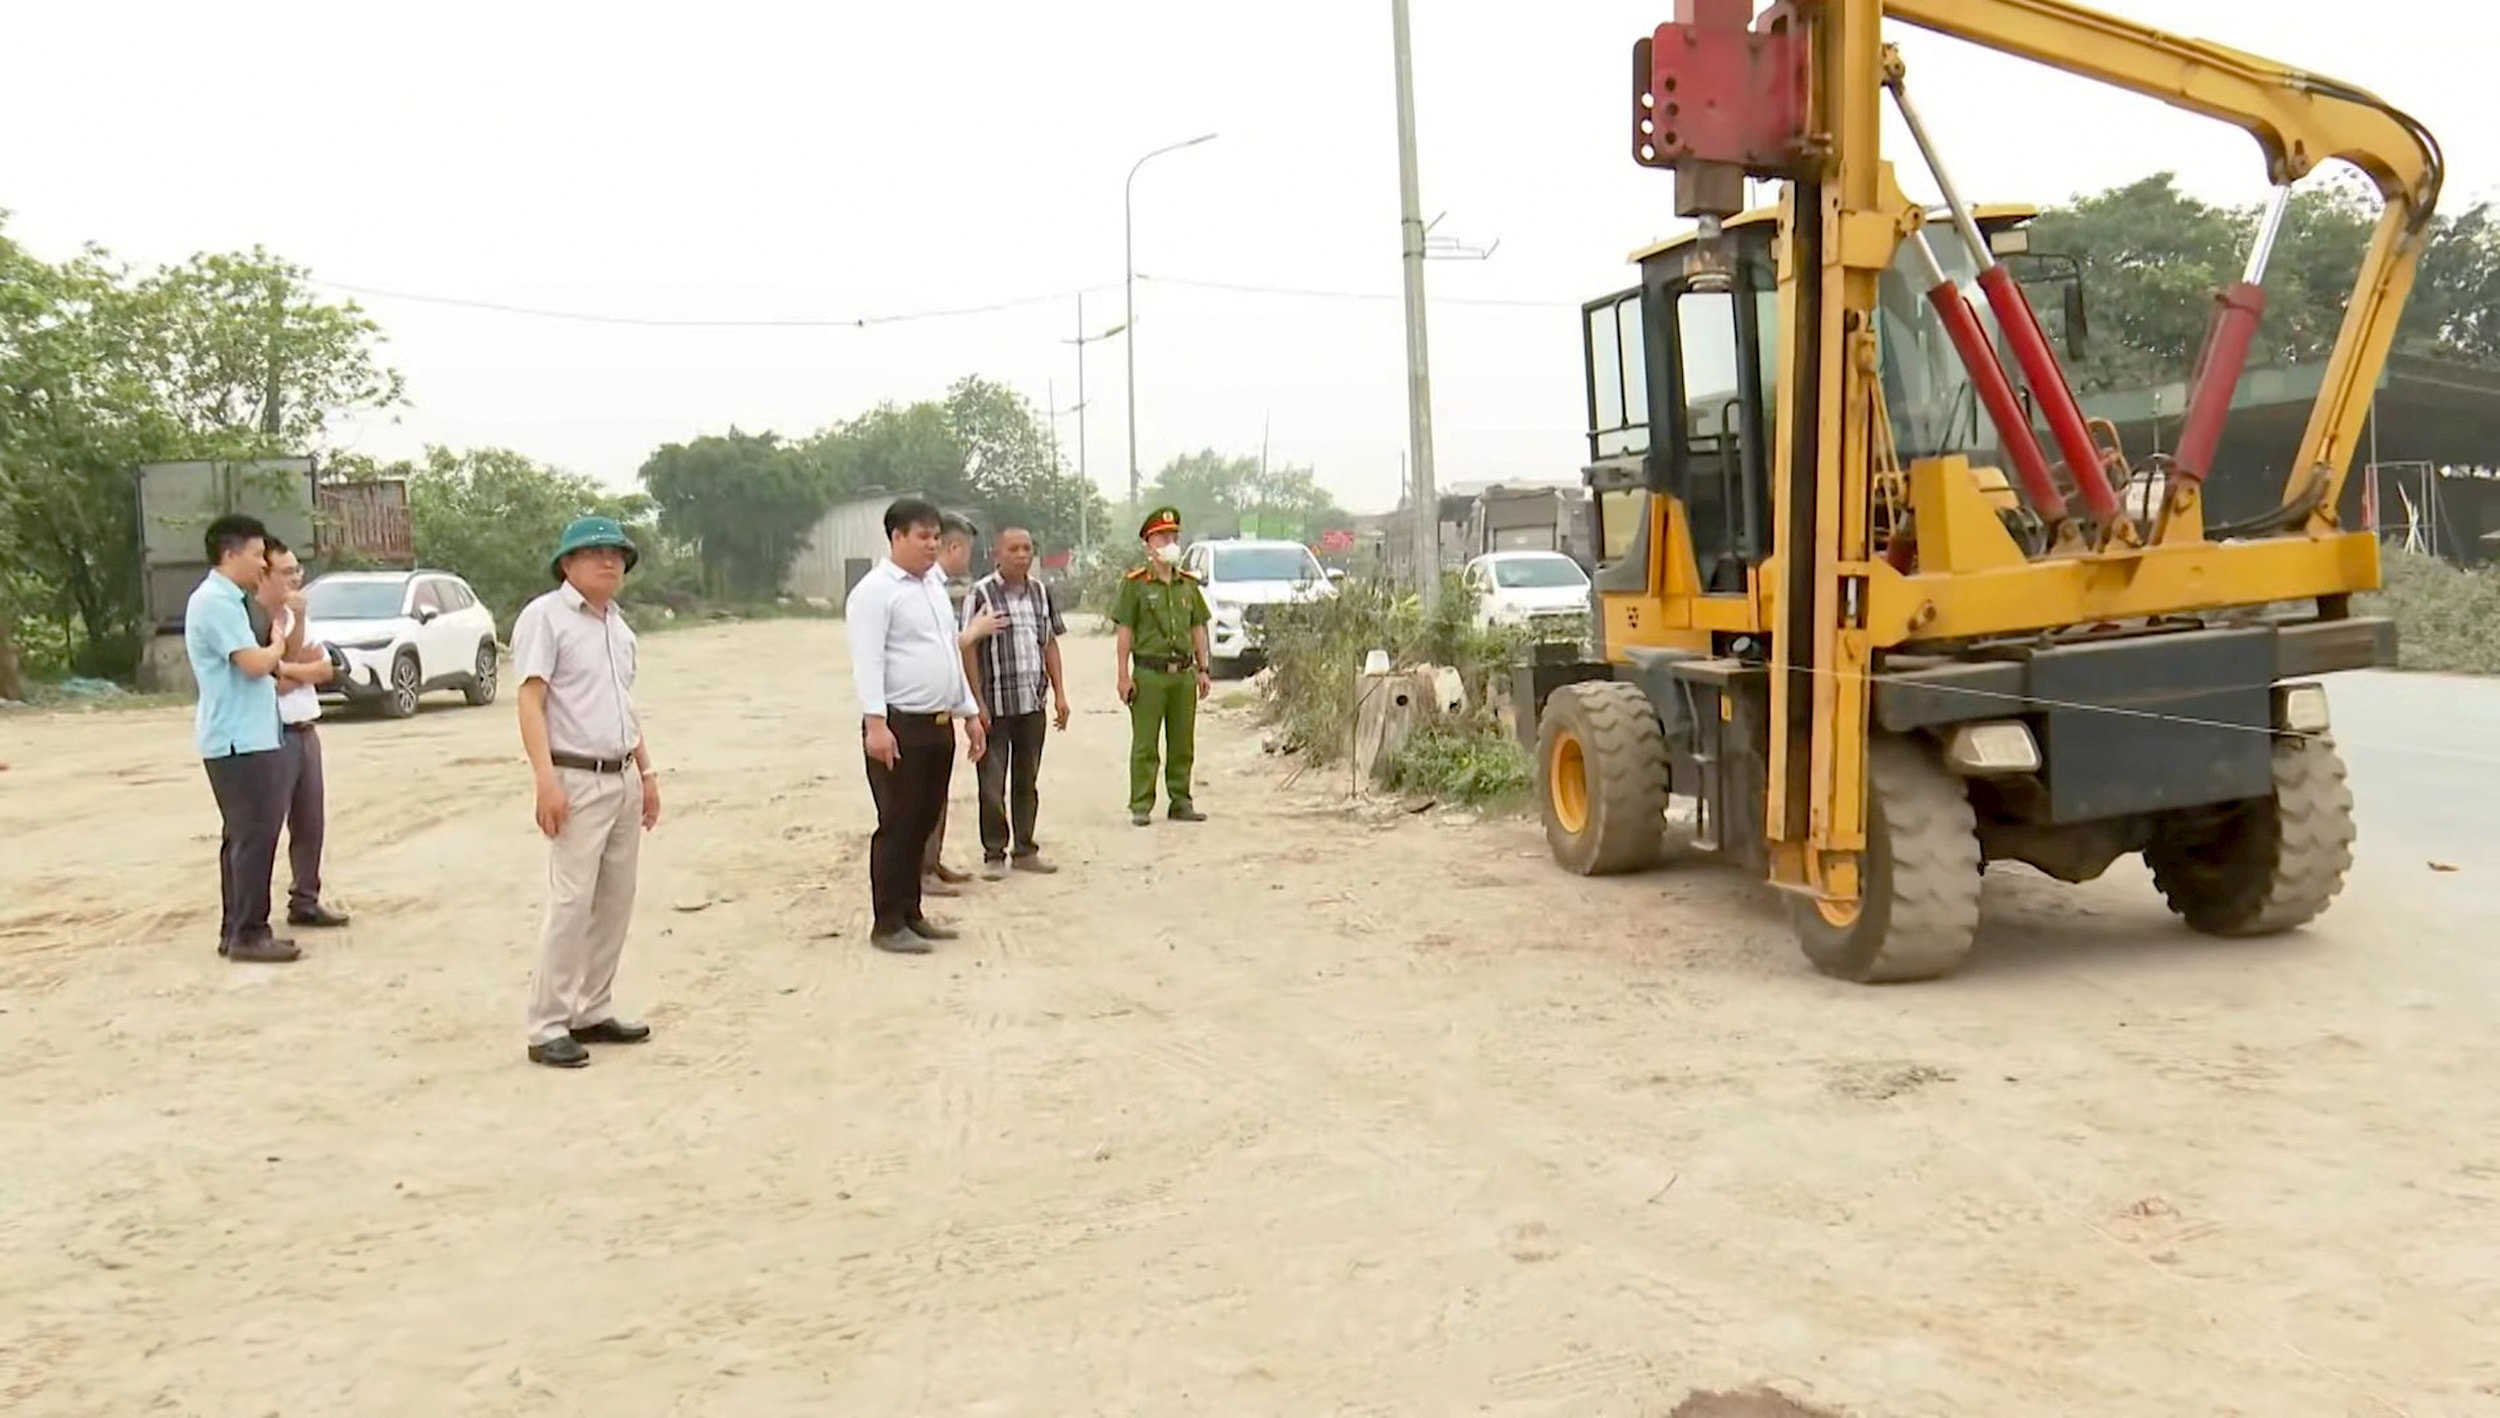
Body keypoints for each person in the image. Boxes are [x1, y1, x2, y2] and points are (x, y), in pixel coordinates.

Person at [511, 516, 663, 1069]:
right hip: (575, 776)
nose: (608, 561)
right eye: (595, 552)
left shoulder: (618, 628)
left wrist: (646, 774)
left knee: (615, 900)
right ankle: (547, 1023)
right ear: (567, 563)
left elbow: (624, 706)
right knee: (572, 903)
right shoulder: (546, 618)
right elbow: (531, 701)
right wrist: (545, 779)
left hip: (621, 776)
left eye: (617, 554)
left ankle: (592, 1007)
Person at [849, 496, 988, 955]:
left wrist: (969, 713)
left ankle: (912, 913)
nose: (932, 545)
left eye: (936, 537)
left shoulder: (932, 586)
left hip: (938, 723)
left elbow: (948, 651)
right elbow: (868, 661)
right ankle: (888, 923)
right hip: (899, 726)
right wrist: (876, 723)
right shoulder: (874, 592)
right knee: (898, 824)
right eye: (924, 536)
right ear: (897, 537)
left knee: (925, 820)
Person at [186, 514, 299, 963]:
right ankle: (250, 933)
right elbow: (253, 664)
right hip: (240, 740)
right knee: (255, 837)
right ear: (230, 553)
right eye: (256, 555)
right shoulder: (215, 601)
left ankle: (235, 928)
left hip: (245, 736)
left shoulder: (228, 600)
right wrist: (277, 646)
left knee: (243, 837)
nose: (263, 564)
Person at [961, 526, 1070, 877]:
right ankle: (994, 852)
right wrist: (976, 702)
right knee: (992, 785)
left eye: (1027, 548)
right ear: (997, 554)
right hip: (994, 706)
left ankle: (1025, 849)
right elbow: (968, 648)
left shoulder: (1041, 592)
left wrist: (1060, 694)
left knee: (1027, 781)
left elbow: (1048, 643)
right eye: (1014, 549)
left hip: (1032, 704)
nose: (1022, 555)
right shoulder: (981, 594)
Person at [254, 538, 349, 930]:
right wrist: (294, 664)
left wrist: (290, 668)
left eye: (298, 570)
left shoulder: (299, 617)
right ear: (264, 575)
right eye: (287, 571)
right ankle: (253, 913)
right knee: (265, 826)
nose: (296, 578)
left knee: (310, 822)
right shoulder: (257, 621)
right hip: (272, 732)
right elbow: (272, 681)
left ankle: (305, 898)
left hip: (306, 726)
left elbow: (325, 669)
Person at [1111, 505, 1213, 827]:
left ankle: (1181, 801)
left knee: (1182, 743)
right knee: (1146, 744)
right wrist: (1123, 675)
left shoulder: (1188, 584)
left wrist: (1203, 668)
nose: (1170, 543)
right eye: (1163, 538)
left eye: (1174, 537)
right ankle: (1141, 803)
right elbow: (1125, 630)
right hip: (1149, 675)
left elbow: (1198, 627)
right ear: (1149, 543)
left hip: (1183, 674)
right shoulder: (1136, 584)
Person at [921, 511, 996, 895]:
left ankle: (932, 861)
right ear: (955, 547)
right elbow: (944, 649)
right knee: (920, 799)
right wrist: (975, 632)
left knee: (937, 794)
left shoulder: (936, 587)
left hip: (942, 711)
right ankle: (922, 870)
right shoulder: (920, 588)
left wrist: (967, 711)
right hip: (915, 713)